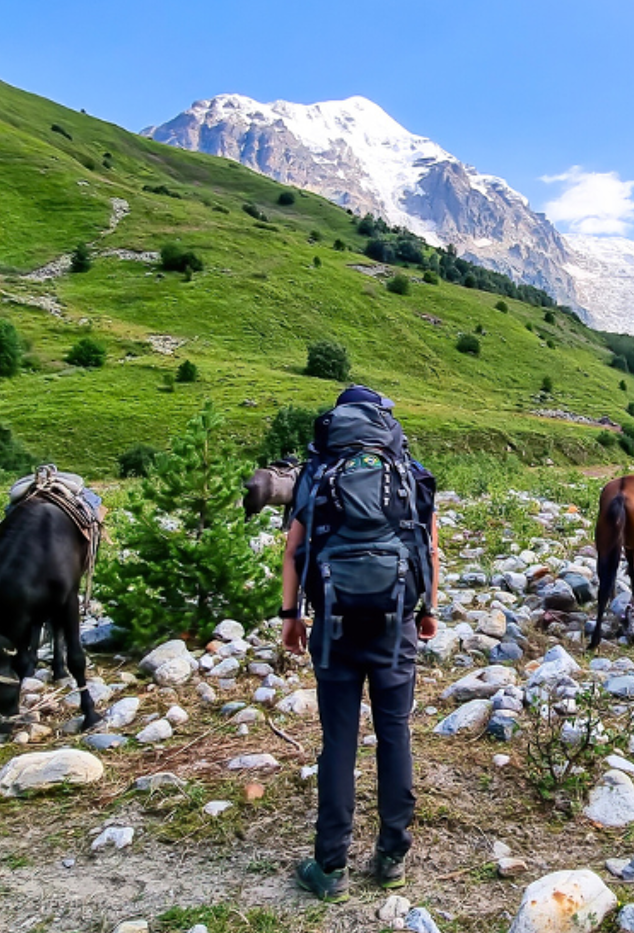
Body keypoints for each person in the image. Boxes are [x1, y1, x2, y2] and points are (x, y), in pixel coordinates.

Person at [281, 385, 441, 903]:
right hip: (395, 624)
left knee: (338, 743)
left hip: (333, 626)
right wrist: (429, 610)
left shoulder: (318, 472)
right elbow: (430, 548)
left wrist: (291, 616)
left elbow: (294, 551)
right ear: (384, 424)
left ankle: (330, 867)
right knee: (395, 734)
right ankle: (391, 857)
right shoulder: (407, 471)